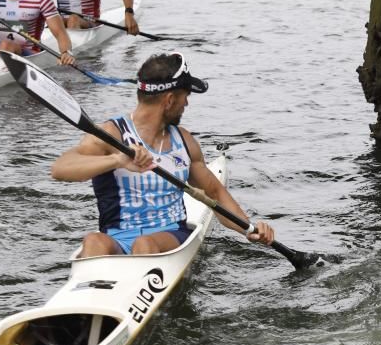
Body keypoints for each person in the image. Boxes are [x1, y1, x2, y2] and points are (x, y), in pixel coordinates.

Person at [51, 52, 275, 256]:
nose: (186, 103)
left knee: (144, 244)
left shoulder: (185, 142)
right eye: (185, 96)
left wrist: (248, 229)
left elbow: (215, 193)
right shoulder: (111, 135)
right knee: (93, 241)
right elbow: (60, 169)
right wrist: (117, 160)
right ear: (169, 100)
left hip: (169, 238)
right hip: (116, 237)